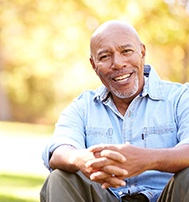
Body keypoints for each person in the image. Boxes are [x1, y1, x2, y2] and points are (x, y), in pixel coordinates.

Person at [40, 20, 189, 202]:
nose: (117, 63)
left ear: (142, 52)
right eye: (104, 57)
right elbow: (58, 151)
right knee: (60, 178)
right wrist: (82, 159)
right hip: (106, 196)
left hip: (167, 196)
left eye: (126, 51)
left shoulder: (181, 97)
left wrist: (147, 159)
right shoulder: (83, 106)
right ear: (94, 65)